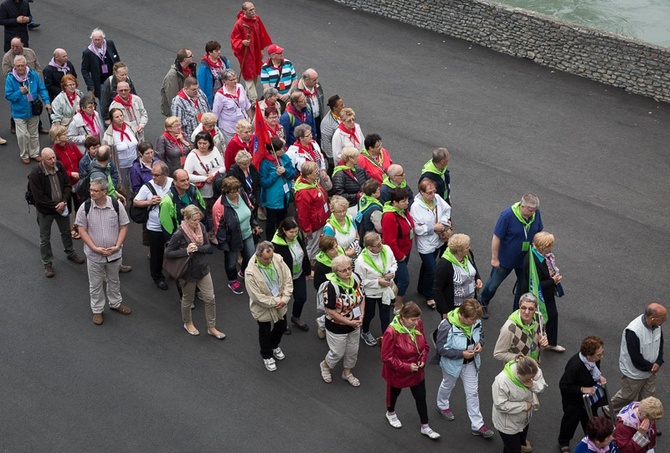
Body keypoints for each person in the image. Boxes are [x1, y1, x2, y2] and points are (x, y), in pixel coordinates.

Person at [431, 299, 495, 438]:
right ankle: (442, 405)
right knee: (448, 384)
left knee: (472, 392)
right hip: (452, 365)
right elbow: (441, 349)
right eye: (471, 320)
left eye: (475, 320)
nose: (474, 322)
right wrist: (461, 354)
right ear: (462, 315)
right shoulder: (446, 326)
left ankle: (477, 425)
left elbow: (481, 335)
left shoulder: (476, 321)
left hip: (471, 362)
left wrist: (480, 344)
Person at [75, 177, 131, 326]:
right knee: (95, 284)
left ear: (104, 192)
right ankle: (97, 310)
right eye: (91, 190)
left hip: (114, 254)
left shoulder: (116, 205)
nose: (91, 193)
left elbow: (124, 226)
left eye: (95, 190)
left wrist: (117, 246)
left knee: (114, 280)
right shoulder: (85, 207)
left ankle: (115, 303)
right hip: (94, 256)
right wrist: (94, 248)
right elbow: (81, 229)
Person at [165, 205, 225, 339]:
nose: (197, 223)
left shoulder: (201, 228)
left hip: (203, 269)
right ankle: (188, 323)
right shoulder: (179, 234)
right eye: (194, 220)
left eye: (198, 219)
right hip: (187, 272)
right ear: (185, 218)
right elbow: (168, 252)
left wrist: (196, 248)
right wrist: (186, 251)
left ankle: (211, 327)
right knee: (188, 299)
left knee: (210, 298)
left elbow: (207, 246)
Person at [479, 193, 544, 318]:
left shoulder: (536, 213)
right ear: (522, 206)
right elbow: (497, 237)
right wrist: (494, 258)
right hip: (505, 259)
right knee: (493, 285)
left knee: (522, 288)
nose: (533, 213)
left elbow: (539, 232)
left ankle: (517, 313)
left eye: (534, 210)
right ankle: (482, 302)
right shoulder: (507, 216)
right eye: (530, 210)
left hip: (525, 260)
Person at [381, 302, 439, 439]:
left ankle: (425, 425)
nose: (416, 322)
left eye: (417, 319)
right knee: (394, 394)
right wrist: (407, 366)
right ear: (402, 317)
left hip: (416, 369)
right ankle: (390, 412)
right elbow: (387, 357)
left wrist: (422, 359)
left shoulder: (418, 323)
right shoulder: (391, 332)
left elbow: (424, 345)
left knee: (421, 397)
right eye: (413, 320)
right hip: (397, 371)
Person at [28, 147, 85, 278]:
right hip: (46, 211)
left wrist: (63, 201)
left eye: (54, 157)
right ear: (42, 159)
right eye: (49, 159)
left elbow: (67, 185)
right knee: (45, 238)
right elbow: (39, 198)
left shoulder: (59, 165)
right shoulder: (35, 174)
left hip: (61, 207)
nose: (53, 161)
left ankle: (70, 253)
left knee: (66, 231)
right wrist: (56, 206)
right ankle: (47, 263)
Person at [608, 302, 666, 415]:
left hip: (651, 370)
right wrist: (651, 367)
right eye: (662, 318)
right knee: (627, 396)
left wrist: (659, 361)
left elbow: (660, 343)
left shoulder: (657, 326)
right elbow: (634, 356)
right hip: (635, 372)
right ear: (652, 318)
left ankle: (646, 420)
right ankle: (609, 410)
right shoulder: (633, 331)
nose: (664, 320)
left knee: (647, 399)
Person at [245, 241, 293, 372]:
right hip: (263, 307)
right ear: (258, 255)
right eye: (266, 259)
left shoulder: (277, 258)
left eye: (271, 257)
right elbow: (256, 296)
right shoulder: (250, 272)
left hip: (281, 301)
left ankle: (274, 345)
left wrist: (285, 298)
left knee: (281, 327)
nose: (270, 260)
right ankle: (266, 355)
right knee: (264, 331)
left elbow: (288, 278)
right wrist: (276, 301)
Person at [319, 255, 365, 387]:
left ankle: (347, 372)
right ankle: (325, 365)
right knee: (337, 352)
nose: (348, 272)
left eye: (349, 268)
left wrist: (361, 315)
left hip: (355, 324)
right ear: (336, 272)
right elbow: (331, 312)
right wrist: (349, 322)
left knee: (352, 351)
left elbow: (362, 298)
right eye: (343, 270)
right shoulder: (331, 287)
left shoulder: (355, 278)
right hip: (337, 326)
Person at [558, 336, 607, 452]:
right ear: (589, 356)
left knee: (591, 420)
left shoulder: (593, 360)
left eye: (601, 353)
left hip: (589, 400)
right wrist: (583, 389)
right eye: (598, 355)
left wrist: (599, 376)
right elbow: (564, 386)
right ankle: (564, 442)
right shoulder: (574, 366)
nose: (601, 356)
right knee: (570, 422)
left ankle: (592, 439)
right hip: (574, 402)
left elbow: (593, 371)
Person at [214, 176, 261, 295]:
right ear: (225, 191)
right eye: (232, 192)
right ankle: (232, 280)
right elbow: (219, 227)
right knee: (231, 262)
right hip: (231, 239)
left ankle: (244, 272)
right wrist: (224, 244)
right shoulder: (219, 206)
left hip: (247, 232)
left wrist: (254, 225)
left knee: (250, 256)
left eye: (237, 190)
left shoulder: (243, 195)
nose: (236, 194)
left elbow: (250, 211)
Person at [491, 355, 548, 453]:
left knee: (513, 446)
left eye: (532, 378)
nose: (530, 381)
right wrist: (524, 406)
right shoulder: (501, 381)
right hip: (507, 425)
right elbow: (501, 405)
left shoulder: (534, 370)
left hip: (524, 419)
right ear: (518, 373)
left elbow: (541, 385)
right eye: (526, 379)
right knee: (514, 449)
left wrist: (533, 385)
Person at [411, 178, 452, 310]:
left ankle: (421, 287)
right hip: (425, 244)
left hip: (437, 241)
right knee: (432, 269)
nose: (432, 194)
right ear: (421, 192)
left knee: (427, 267)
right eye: (429, 192)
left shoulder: (437, 199)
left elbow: (447, 210)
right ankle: (429, 295)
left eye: (433, 191)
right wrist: (433, 228)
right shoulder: (416, 207)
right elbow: (416, 228)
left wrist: (443, 222)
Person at [522, 231, 564, 351]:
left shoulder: (540, 255)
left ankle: (550, 342)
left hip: (546, 292)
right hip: (537, 294)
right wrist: (553, 281)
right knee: (536, 317)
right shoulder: (532, 261)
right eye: (549, 246)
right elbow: (536, 283)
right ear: (542, 247)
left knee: (552, 315)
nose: (551, 248)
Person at [133, 161, 172, 290]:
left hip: (172, 225)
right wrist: (149, 202)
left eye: (156, 175)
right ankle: (157, 276)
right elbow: (136, 202)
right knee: (156, 253)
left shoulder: (173, 183)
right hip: (154, 226)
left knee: (173, 250)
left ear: (165, 175)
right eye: (152, 174)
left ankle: (173, 270)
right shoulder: (147, 187)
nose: (153, 177)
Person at [6, 54, 50, 163]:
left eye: (22, 65)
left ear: (26, 64)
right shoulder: (10, 79)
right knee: (23, 136)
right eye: (18, 66)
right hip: (18, 112)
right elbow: (8, 96)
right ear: (14, 66)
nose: (21, 68)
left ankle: (34, 153)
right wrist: (20, 92)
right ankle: (24, 154)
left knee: (34, 134)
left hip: (33, 110)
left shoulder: (33, 75)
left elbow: (42, 89)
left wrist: (47, 102)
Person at [355, 232, 396, 346]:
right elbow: (360, 281)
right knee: (369, 314)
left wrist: (392, 272)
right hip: (371, 294)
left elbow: (394, 263)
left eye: (381, 241)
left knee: (385, 315)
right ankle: (365, 331)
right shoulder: (361, 261)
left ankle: (386, 338)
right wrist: (378, 281)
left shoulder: (386, 249)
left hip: (385, 291)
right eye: (378, 245)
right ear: (369, 248)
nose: (381, 245)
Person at [183, 132, 224, 242]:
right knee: (205, 215)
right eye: (199, 143)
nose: (202, 146)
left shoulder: (214, 150)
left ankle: (217, 232)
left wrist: (213, 175)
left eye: (204, 143)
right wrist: (204, 178)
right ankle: (208, 235)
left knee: (216, 212)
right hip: (202, 193)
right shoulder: (192, 156)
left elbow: (223, 167)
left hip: (216, 189)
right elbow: (187, 175)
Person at [272, 217, 311, 332]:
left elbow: (304, 253)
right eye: (291, 232)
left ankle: (296, 317)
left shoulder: (298, 237)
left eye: (296, 231)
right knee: (283, 302)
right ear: (284, 230)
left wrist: (307, 270)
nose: (294, 234)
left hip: (298, 274)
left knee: (301, 298)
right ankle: (282, 323)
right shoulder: (276, 245)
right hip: (284, 279)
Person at [230, 1, 272, 102]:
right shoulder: (239, 24)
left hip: (256, 50)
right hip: (246, 53)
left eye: (253, 9)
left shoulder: (256, 19)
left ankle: (247, 95)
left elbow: (262, 34)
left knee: (255, 74)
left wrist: (261, 48)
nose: (253, 11)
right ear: (244, 11)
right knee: (249, 74)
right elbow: (234, 39)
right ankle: (254, 100)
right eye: (250, 10)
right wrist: (242, 42)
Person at [381, 187, 414, 313]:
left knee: (397, 278)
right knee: (405, 280)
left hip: (405, 251)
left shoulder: (402, 211)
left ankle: (391, 296)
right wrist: (400, 256)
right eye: (403, 201)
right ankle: (398, 305)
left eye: (407, 200)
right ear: (394, 202)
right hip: (398, 255)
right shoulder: (390, 217)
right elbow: (390, 241)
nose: (407, 203)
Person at [433, 233, 483, 316]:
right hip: (453, 308)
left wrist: (477, 278)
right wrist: (445, 311)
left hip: (470, 302)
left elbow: (473, 266)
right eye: (467, 247)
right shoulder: (444, 265)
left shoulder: (468, 254)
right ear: (459, 251)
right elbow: (437, 289)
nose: (469, 248)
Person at [493, 292, 549, 363]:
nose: (526, 312)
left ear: (535, 309)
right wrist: (522, 359)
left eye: (531, 309)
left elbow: (543, 335)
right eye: (523, 308)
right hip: (517, 370)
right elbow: (498, 353)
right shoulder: (509, 328)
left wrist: (544, 342)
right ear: (519, 306)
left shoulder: (539, 317)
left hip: (534, 365)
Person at [259, 136, 295, 240]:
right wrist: (276, 174)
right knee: (271, 221)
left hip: (285, 195)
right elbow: (264, 182)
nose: (283, 151)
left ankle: (281, 237)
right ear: (272, 151)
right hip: (272, 199)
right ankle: (271, 240)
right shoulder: (265, 163)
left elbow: (292, 173)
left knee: (282, 219)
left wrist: (286, 171)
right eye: (280, 149)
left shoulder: (284, 158)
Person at [50, 124, 82, 237]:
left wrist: (80, 170)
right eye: (64, 134)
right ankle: (69, 229)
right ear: (57, 137)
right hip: (65, 184)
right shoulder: (54, 152)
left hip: (77, 182)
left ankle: (77, 225)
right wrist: (70, 173)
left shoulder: (71, 145)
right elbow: (56, 169)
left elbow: (80, 158)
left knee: (79, 205)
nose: (67, 135)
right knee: (67, 208)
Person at [293, 161, 329, 259]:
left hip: (321, 220)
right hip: (315, 225)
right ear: (308, 175)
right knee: (313, 248)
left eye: (317, 171)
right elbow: (303, 214)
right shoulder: (303, 193)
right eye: (315, 172)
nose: (318, 173)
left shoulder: (313, 183)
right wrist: (307, 229)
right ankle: (311, 267)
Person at [159, 168, 206, 239]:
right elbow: (167, 227)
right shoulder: (167, 201)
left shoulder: (193, 189)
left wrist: (206, 231)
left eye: (187, 179)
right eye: (182, 181)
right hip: (181, 238)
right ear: (174, 182)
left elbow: (202, 208)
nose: (187, 183)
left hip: (197, 233)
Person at [103, 108, 137, 193]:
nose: (120, 118)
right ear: (112, 119)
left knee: (135, 186)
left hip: (134, 162)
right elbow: (106, 154)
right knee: (123, 188)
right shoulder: (109, 135)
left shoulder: (130, 127)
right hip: (121, 166)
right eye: (116, 117)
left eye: (121, 115)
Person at [212, 69, 251, 144]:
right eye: (232, 80)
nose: (235, 81)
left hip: (244, 126)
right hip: (229, 129)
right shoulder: (219, 95)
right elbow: (216, 113)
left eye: (235, 78)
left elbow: (247, 104)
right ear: (224, 81)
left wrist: (251, 121)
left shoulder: (240, 87)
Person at [81, 28, 120, 99]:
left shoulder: (110, 44)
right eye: (95, 40)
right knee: (104, 104)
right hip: (100, 83)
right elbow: (84, 70)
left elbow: (117, 59)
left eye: (99, 39)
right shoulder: (88, 52)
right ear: (92, 39)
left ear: (103, 38)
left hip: (113, 80)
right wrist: (91, 85)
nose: (97, 42)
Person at [170, 76, 210, 140]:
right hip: (191, 139)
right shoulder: (178, 102)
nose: (197, 91)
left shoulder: (200, 93)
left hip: (206, 135)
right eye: (194, 89)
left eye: (197, 88)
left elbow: (208, 109)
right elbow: (177, 126)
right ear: (186, 88)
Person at [332, 146, 368, 216]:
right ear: (350, 159)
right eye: (356, 157)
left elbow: (369, 181)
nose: (359, 158)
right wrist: (356, 196)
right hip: (350, 207)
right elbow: (339, 195)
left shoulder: (359, 169)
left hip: (363, 203)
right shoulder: (339, 174)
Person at [160, 48, 196, 117]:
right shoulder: (172, 76)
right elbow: (173, 98)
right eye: (191, 55)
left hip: (187, 107)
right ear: (185, 59)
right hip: (179, 111)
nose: (193, 56)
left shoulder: (189, 70)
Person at [291, 69, 324, 143]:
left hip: (318, 118)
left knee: (318, 138)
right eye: (314, 80)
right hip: (306, 121)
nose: (317, 81)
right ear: (306, 80)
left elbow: (321, 100)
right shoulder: (296, 91)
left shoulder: (317, 86)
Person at [226, 150, 260, 216]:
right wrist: (248, 202)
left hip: (253, 199)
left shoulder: (252, 168)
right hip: (241, 202)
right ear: (238, 163)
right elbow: (232, 189)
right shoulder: (233, 172)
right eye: (244, 164)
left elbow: (257, 184)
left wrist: (257, 200)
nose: (247, 165)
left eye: (248, 163)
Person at [197, 40, 230, 108]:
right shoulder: (204, 67)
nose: (219, 52)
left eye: (219, 50)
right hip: (213, 96)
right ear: (210, 52)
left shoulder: (223, 60)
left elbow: (228, 74)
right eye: (216, 51)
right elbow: (202, 85)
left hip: (225, 92)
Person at [320, 94, 344, 170]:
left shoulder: (343, 114)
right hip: (334, 152)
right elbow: (327, 143)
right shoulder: (327, 124)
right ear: (335, 108)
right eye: (341, 105)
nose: (344, 106)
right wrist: (331, 159)